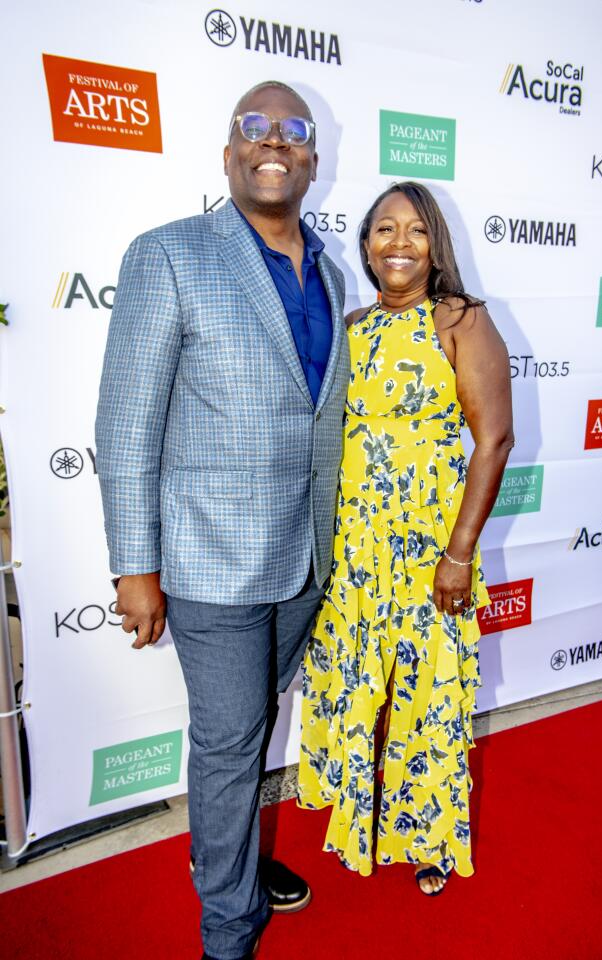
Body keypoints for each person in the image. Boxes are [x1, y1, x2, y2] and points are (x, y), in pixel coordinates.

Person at [95, 81, 350, 960]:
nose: (272, 142)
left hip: (303, 558)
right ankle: (229, 929)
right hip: (209, 560)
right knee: (233, 741)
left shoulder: (332, 269)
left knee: (245, 735)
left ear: (312, 159)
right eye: (254, 127)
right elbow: (127, 420)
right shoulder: (169, 255)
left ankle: (224, 854)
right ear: (229, 153)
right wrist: (136, 566)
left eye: (291, 131)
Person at [298, 181, 514, 895]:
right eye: (384, 229)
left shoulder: (460, 319)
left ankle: (429, 836)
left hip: (428, 552)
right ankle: (354, 817)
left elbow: (494, 441)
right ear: (364, 244)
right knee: (355, 688)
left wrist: (458, 556)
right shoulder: (353, 324)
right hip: (353, 552)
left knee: (430, 696)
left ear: (435, 245)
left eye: (415, 231)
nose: (398, 243)